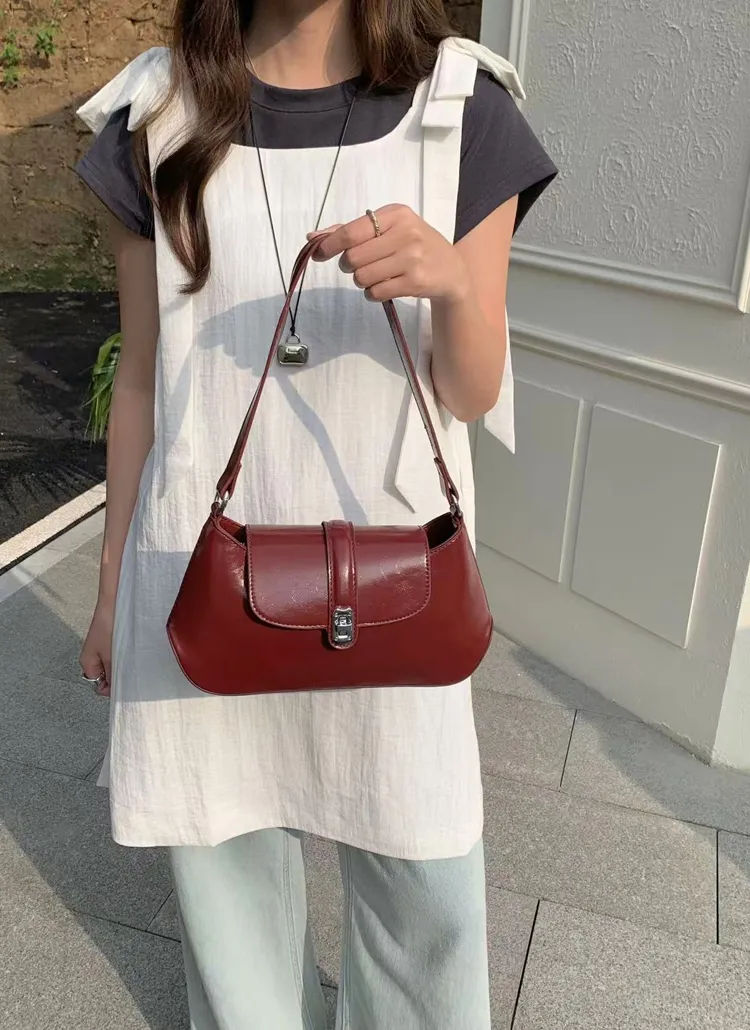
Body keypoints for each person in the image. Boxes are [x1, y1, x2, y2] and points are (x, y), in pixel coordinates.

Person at [74, 0, 557, 1026]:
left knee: (424, 869)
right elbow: (142, 380)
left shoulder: (461, 108)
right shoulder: (154, 118)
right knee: (224, 866)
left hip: (394, 579)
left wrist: (452, 289)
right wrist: (112, 586)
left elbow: (470, 393)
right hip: (200, 572)